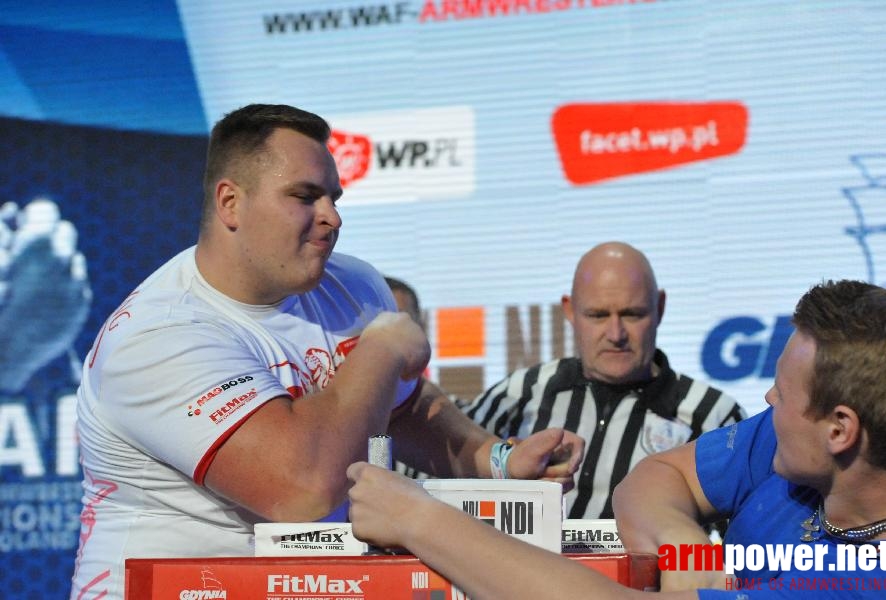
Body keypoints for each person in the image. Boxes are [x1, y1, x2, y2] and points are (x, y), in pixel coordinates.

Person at [69, 104, 584, 600]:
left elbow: (398, 410)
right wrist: (379, 350)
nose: (332, 217)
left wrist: (495, 459)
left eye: (335, 197)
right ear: (231, 203)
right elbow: (302, 492)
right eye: (305, 196)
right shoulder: (158, 335)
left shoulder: (352, 284)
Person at [346, 280, 886, 599]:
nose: (768, 403)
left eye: (781, 392)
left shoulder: (875, 584)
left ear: (840, 430)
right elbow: (658, 477)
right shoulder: (795, 455)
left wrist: (420, 520)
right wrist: (684, 549)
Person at [464, 241, 745, 519]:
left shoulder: (715, 417)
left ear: (659, 307)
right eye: (597, 315)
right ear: (570, 310)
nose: (615, 333)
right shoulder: (521, 393)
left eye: (632, 314)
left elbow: (737, 545)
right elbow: (434, 479)